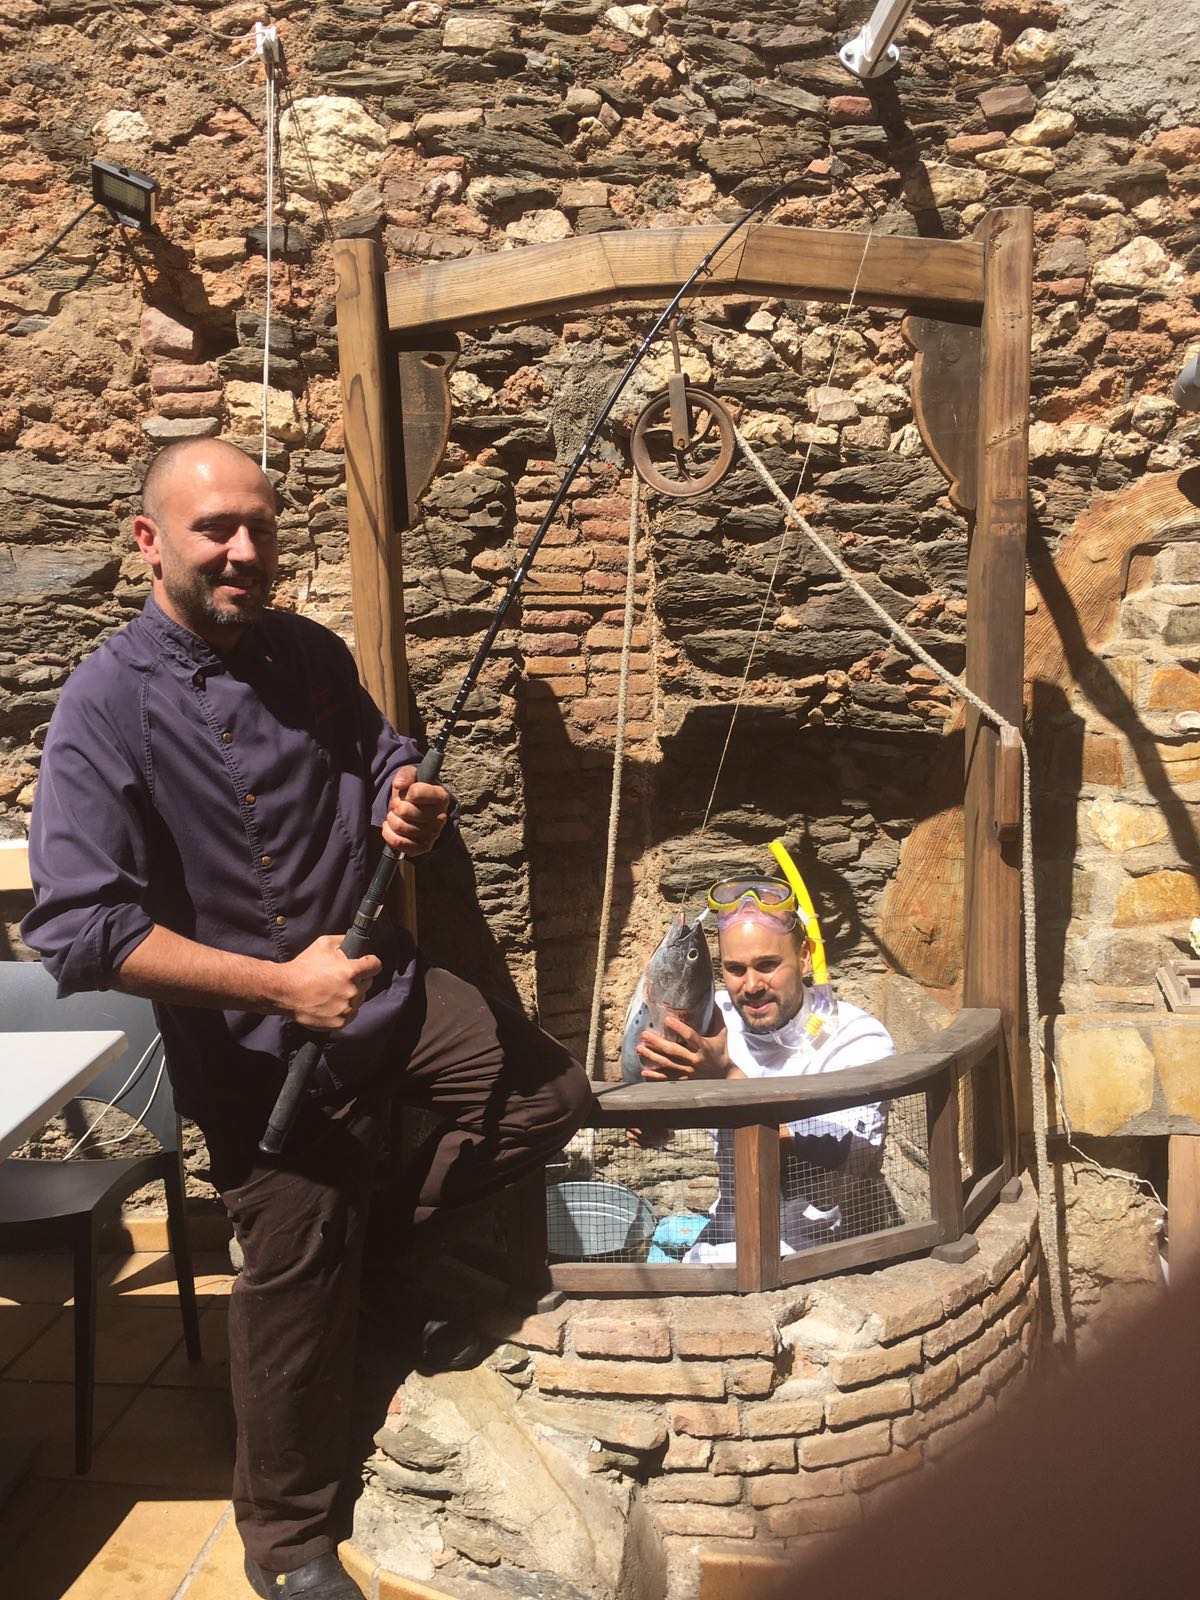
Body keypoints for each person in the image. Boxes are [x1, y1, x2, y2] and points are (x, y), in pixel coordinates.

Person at [21, 439, 591, 1600]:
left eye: (261, 527)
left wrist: (407, 802)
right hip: (258, 1055)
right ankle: (284, 1542)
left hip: (388, 993)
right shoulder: (104, 704)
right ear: (150, 542)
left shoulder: (310, 652)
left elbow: (384, 757)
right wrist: (282, 985)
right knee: (290, 1291)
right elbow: (78, 928)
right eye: (215, 529)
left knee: (548, 1096)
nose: (244, 550)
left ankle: (374, 1268)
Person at [631, 878, 893, 1259]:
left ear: (805, 956)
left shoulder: (857, 1040)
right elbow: (661, 1104)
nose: (751, 985)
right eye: (735, 969)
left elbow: (825, 1177)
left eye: (767, 965)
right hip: (725, 1237)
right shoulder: (716, 1022)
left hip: (816, 1255)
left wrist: (727, 1079)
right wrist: (656, 1124)